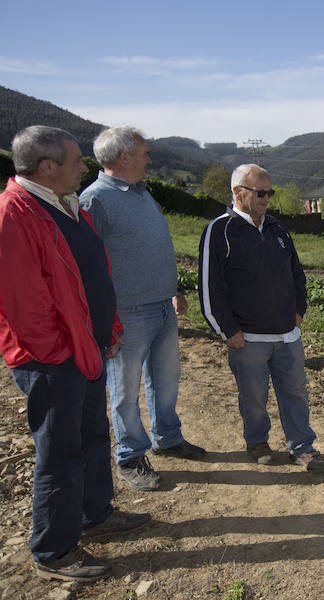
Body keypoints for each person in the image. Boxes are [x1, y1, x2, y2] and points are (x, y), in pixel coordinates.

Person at [0, 126, 150, 582]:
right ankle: (54, 551)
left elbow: (93, 272)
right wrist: (62, 353)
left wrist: (108, 328)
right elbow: (23, 303)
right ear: (48, 167)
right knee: (60, 453)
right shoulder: (14, 213)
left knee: (92, 435)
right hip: (52, 361)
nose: (84, 167)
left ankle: (95, 514)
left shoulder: (66, 204)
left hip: (86, 348)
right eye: (76, 160)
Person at [80, 126, 205, 491]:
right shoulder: (95, 200)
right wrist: (105, 320)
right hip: (127, 313)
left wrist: (174, 290)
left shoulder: (141, 193)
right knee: (124, 389)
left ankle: (168, 437)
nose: (149, 159)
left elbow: (154, 248)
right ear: (124, 158)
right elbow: (88, 266)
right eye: (145, 153)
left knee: (166, 379)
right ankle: (130, 456)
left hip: (162, 306)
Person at [198, 164, 324, 471]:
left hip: (287, 336)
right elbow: (210, 286)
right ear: (237, 192)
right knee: (254, 398)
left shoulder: (278, 229)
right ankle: (257, 442)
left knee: (296, 394)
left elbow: (297, 275)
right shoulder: (220, 231)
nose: (267, 198)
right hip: (248, 338)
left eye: (270, 192)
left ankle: (302, 447)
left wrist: (298, 311)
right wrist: (227, 330)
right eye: (260, 193)